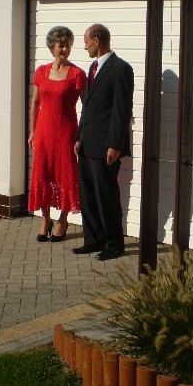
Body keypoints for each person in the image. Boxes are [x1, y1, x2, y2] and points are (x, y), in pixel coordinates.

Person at [73, 24, 134, 261]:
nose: (85, 46)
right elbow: (88, 107)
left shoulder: (121, 69)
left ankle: (114, 244)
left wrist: (115, 145)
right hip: (87, 144)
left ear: (97, 41)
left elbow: (121, 109)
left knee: (106, 196)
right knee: (88, 195)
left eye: (86, 42)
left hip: (105, 146)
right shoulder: (93, 67)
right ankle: (94, 239)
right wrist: (79, 137)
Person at [28, 26, 86, 242]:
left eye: (68, 45)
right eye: (61, 45)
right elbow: (35, 103)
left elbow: (87, 106)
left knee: (65, 175)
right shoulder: (41, 71)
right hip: (44, 132)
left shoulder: (77, 74)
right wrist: (32, 131)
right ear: (52, 47)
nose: (65, 49)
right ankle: (45, 218)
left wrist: (81, 136)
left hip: (66, 133)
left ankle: (63, 219)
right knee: (42, 173)